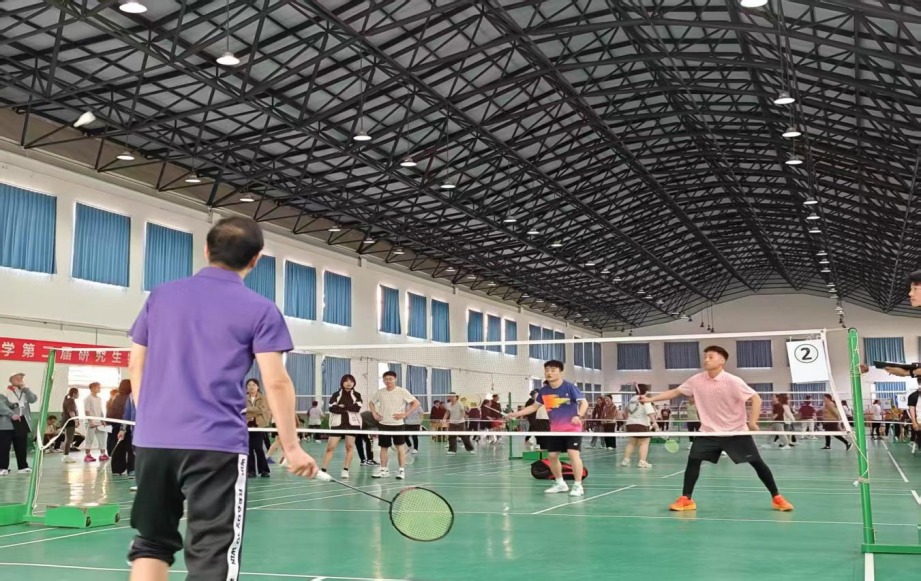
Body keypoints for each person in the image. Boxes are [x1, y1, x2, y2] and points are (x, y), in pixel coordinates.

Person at [125, 215, 318, 581]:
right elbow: (276, 382)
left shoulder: (161, 296)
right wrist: (291, 447)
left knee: (151, 544)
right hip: (216, 446)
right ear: (255, 260)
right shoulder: (261, 309)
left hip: (154, 440)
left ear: (206, 249)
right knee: (213, 557)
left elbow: (136, 365)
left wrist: (149, 418)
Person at [640, 345, 794, 512]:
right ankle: (686, 499)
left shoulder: (733, 381)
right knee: (693, 461)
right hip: (708, 431)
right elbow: (676, 392)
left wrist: (752, 422)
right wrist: (650, 400)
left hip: (735, 431)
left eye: (711, 357)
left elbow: (756, 399)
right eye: (705, 356)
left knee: (757, 463)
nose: (706, 360)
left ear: (722, 360)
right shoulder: (696, 380)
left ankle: (777, 497)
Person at [508, 360, 588, 497]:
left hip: (572, 428)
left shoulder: (569, 387)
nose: (549, 373)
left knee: (573, 454)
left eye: (553, 370)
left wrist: (579, 415)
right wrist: (516, 414)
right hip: (555, 429)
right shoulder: (544, 391)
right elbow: (534, 407)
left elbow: (584, 403)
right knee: (551, 456)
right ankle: (560, 483)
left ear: (560, 372)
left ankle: (578, 485)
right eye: (547, 370)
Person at [369, 370, 419, 480]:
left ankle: (401, 471)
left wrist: (405, 414)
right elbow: (371, 403)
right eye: (386, 379)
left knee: (400, 447)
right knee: (383, 448)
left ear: (395, 379)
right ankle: (383, 471)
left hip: (398, 424)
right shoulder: (380, 392)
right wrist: (374, 413)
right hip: (383, 424)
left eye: (390, 379)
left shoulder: (402, 391)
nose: (388, 381)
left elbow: (416, 403)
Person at [321, 374, 362, 479]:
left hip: (353, 425)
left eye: (351, 381)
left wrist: (342, 406)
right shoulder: (336, 394)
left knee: (349, 447)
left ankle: (345, 470)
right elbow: (332, 408)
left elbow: (357, 408)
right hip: (337, 424)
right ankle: (323, 470)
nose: (349, 383)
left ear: (354, 383)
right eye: (346, 381)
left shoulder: (357, 395)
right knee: (330, 447)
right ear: (342, 382)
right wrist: (347, 407)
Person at [1, 373, 37, 475]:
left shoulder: (25, 392)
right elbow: (1, 405)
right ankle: (2, 467)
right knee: (4, 447)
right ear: (11, 380)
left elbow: (33, 399)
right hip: (6, 424)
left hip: (21, 422)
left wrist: (26, 389)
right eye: (17, 378)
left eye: (21, 378)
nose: (20, 379)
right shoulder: (4, 391)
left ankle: (23, 467)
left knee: (21, 446)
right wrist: (11, 414)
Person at [621, 384, 657, 468]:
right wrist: (655, 423)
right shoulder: (644, 399)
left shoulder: (631, 399)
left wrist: (628, 419)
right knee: (644, 443)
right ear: (646, 391)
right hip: (641, 424)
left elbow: (625, 411)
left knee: (631, 442)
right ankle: (642, 462)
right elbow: (650, 412)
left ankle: (626, 460)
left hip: (630, 424)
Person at [245, 379, 271, 478]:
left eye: (253, 385)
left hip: (259, 426)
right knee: (249, 449)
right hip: (247, 426)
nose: (251, 387)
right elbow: (240, 411)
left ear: (258, 387)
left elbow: (262, 409)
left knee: (259, 448)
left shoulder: (263, 398)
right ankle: (251, 471)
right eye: (249, 385)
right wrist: (249, 415)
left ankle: (264, 470)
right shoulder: (243, 398)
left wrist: (248, 410)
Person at [107, 380, 132, 466]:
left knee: (117, 448)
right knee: (130, 449)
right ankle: (131, 469)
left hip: (116, 425)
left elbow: (111, 413)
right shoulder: (132, 397)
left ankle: (117, 469)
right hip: (129, 426)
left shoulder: (116, 397)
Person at [113, 384, 137, 477]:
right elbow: (127, 414)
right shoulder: (132, 395)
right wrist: (122, 429)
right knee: (135, 451)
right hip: (136, 431)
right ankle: (134, 470)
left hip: (154, 431)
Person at [83, 382, 108, 463]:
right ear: (92, 388)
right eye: (98, 387)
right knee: (89, 439)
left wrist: (103, 420)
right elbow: (87, 411)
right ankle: (87, 456)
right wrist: (91, 421)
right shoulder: (88, 398)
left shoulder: (99, 399)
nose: (99, 389)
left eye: (99, 387)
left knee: (102, 438)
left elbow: (101, 410)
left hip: (99, 422)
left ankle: (102, 455)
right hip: (91, 422)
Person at [61, 387, 80, 463]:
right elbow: (71, 412)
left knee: (68, 439)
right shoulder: (71, 401)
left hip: (67, 421)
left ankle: (65, 455)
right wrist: (75, 420)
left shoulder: (68, 400)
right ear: (74, 394)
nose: (79, 395)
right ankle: (66, 456)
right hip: (69, 422)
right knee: (69, 439)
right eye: (78, 393)